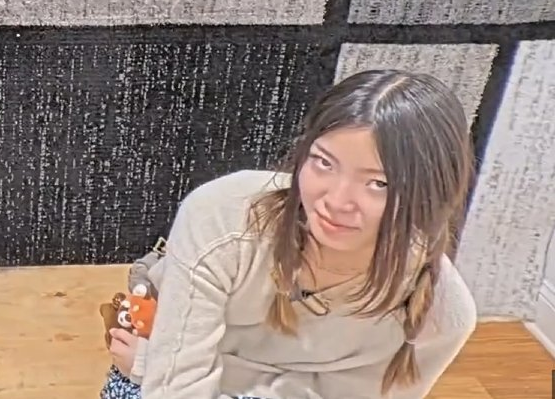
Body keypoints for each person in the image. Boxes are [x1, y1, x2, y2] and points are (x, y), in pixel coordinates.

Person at [100, 69, 478, 398]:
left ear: (430, 195)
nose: (336, 201)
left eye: (379, 183)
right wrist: (155, 366)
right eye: (324, 162)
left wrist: (152, 364)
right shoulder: (221, 218)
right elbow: (176, 387)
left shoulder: (443, 312)